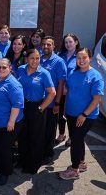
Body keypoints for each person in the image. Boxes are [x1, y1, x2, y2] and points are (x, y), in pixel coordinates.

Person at [59, 48, 104, 180]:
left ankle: (74, 170)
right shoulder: (73, 73)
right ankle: (82, 163)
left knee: (76, 140)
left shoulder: (95, 76)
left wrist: (84, 114)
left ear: (90, 59)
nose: (81, 60)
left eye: (84, 57)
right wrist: (65, 110)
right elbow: (68, 93)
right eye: (79, 58)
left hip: (86, 116)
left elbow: (97, 99)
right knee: (78, 139)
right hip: (71, 114)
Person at [15, 49, 56, 174]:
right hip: (22, 107)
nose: (35, 61)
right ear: (27, 59)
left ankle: (32, 165)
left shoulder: (44, 73)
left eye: (37, 58)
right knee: (23, 135)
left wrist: (42, 107)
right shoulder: (21, 69)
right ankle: (22, 160)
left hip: (36, 107)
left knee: (35, 137)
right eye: (32, 58)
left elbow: (52, 92)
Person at [0, 58, 24, 186]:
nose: (1, 69)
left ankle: (5, 173)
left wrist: (11, 122)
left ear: (10, 68)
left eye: (4, 67)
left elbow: (17, 105)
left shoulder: (13, 84)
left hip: (7, 123)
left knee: (5, 148)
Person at [40, 36, 67, 163]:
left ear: (54, 46)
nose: (46, 46)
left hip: (52, 104)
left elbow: (61, 84)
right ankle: (40, 151)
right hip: (39, 102)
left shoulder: (59, 62)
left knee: (50, 130)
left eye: (49, 44)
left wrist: (58, 103)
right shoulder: (38, 59)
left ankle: (48, 153)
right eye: (44, 44)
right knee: (41, 128)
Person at [57, 33, 81, 146]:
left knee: (72, 115)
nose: (68, 44)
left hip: (73, 90)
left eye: (70, 41)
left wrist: (69, 86)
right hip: (60, 89)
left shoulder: (80, 56)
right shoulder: (60, 55)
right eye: (66, 42)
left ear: (76, 42)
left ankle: (71, 137)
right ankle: (61, 134)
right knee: (60, 112)